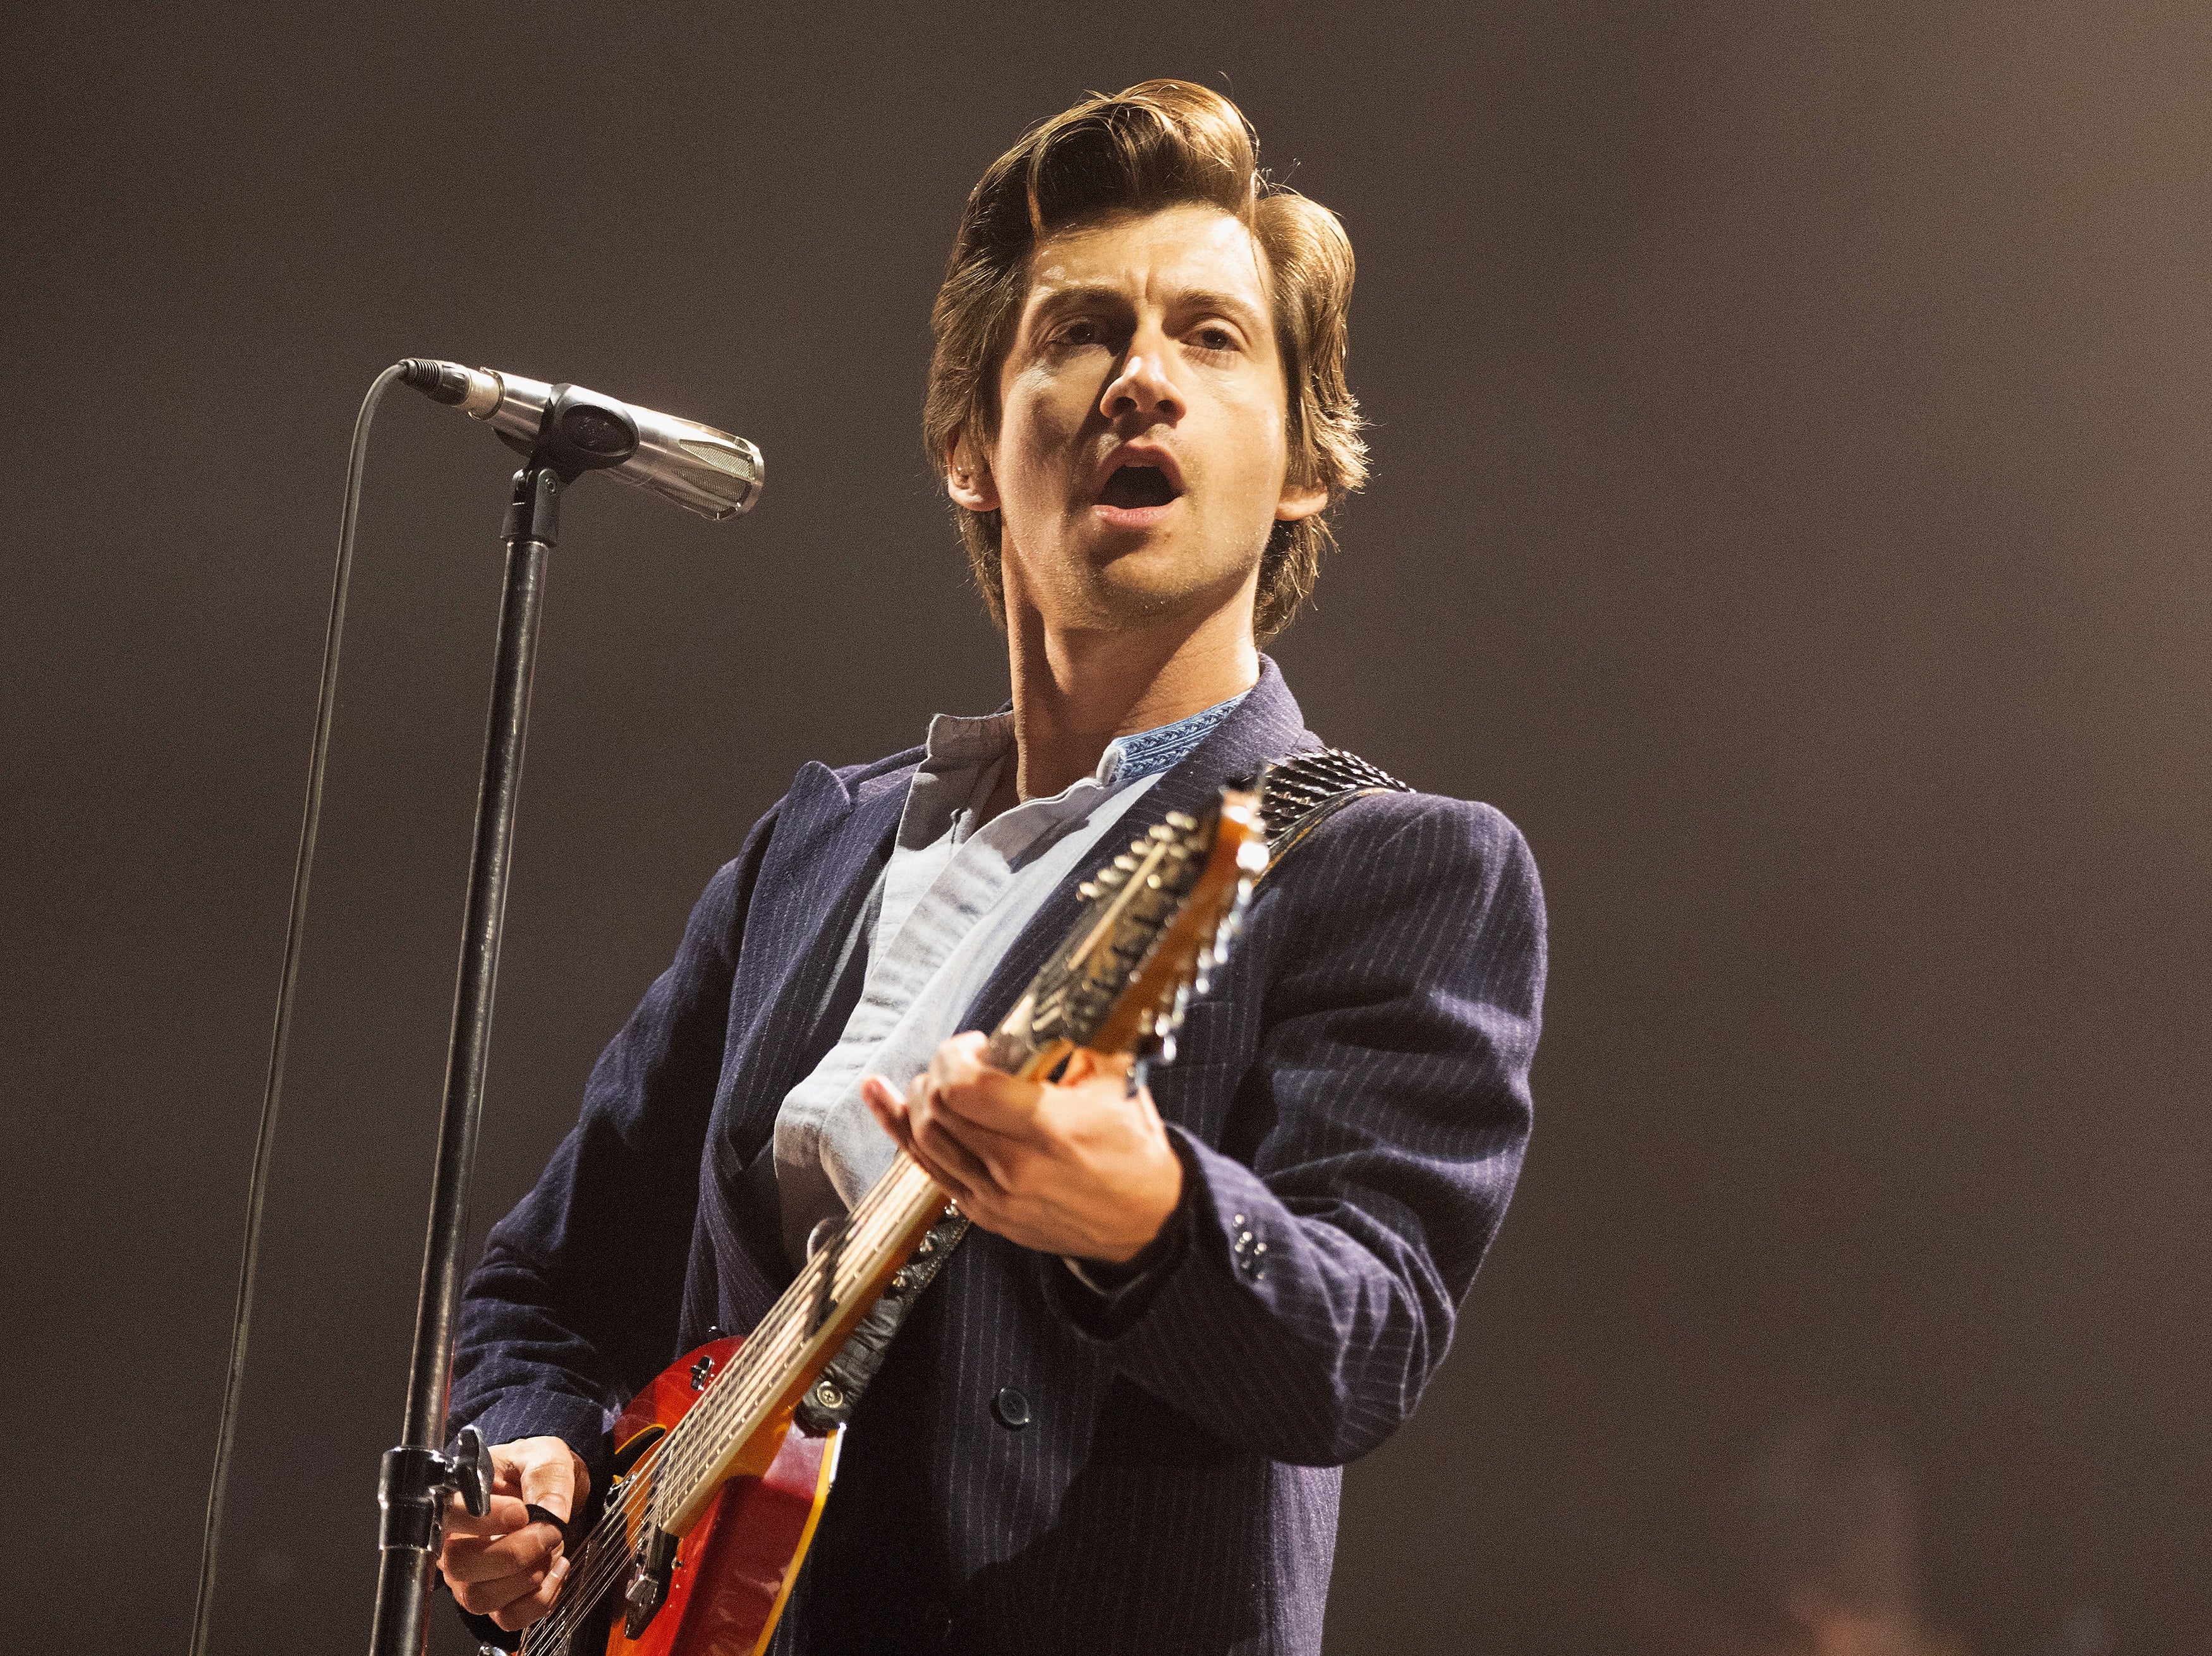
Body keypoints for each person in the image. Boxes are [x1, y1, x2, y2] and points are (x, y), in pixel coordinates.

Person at [437, 79, 1546, 1655]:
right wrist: (542, 1456)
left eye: (1212, 337)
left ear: (1304, 463)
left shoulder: (1390, 867)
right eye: (1080, 332)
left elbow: (1358, 1351)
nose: (1141, 379)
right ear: (970, 445)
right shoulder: (821, 843)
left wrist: (1150, 1217)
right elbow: (544, 1282)